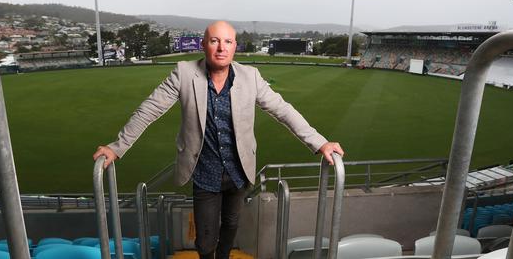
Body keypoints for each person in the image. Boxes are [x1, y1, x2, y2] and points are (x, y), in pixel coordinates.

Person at [93, 21, 344, 259]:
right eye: (214, 41)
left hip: (239, 170)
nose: (222, 48)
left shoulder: (251, 77)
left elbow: (283, 110)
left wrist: (320, 142)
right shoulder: (183, 73)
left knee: (232, 224)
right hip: (204, 171)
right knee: (205, 238)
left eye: (228, 41)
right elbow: (149, 109)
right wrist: (118, 146)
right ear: (204, 45)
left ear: (235, 46)